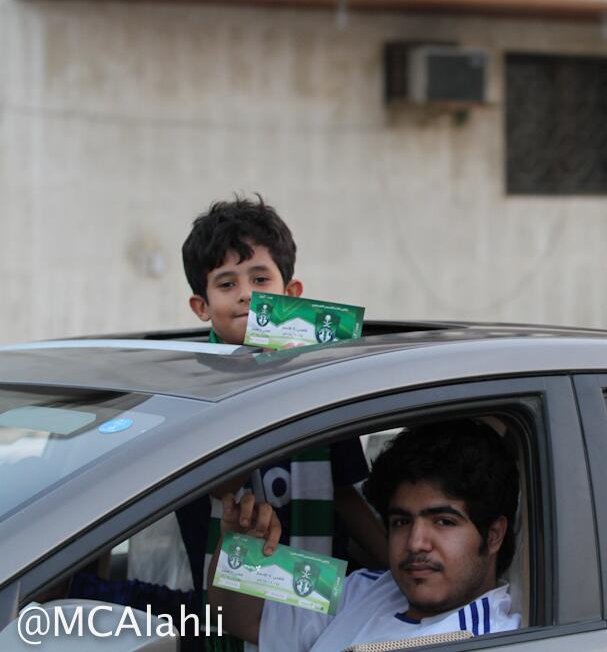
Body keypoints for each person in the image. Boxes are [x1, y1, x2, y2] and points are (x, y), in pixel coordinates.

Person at [180, 195, 387, 573]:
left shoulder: (317, 380)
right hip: (228, 595)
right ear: (202, 307)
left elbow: (344, 492)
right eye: (226, 284)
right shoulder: (192, 385)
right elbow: (220, 487)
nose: (246, 294)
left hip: (317, 589)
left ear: (291, 294)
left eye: (260, 279)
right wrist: (266, 380)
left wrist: (395, 569)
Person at [208, 419, 521, 650]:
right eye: (401, 521)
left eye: (443, 522)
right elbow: (243, 619)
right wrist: (240, 549)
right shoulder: (366, 586)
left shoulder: (489, 639)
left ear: (494, 535)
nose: (415, 543)